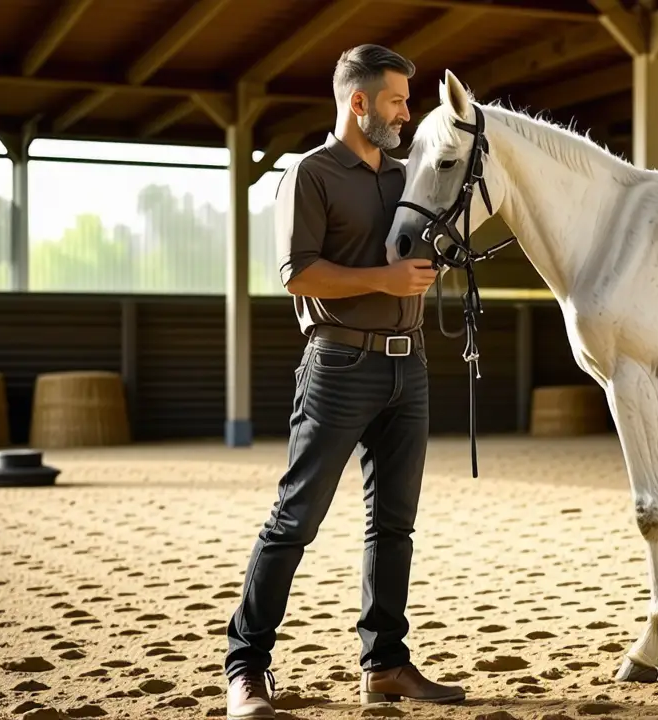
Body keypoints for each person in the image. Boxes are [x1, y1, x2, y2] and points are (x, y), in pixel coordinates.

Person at [223, 44, 465, 720]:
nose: (407, 113)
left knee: (394, 526)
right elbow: (297, 273)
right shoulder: (310, 174)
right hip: (338, 366)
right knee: (295, 518)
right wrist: (385, 280)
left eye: (407, 102)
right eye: (397, 101)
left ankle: (385, 664)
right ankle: (246, 669)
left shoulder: (406, 176)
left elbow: (422, 246)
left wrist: (432, 264)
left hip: (409, 366)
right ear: (359, 102)